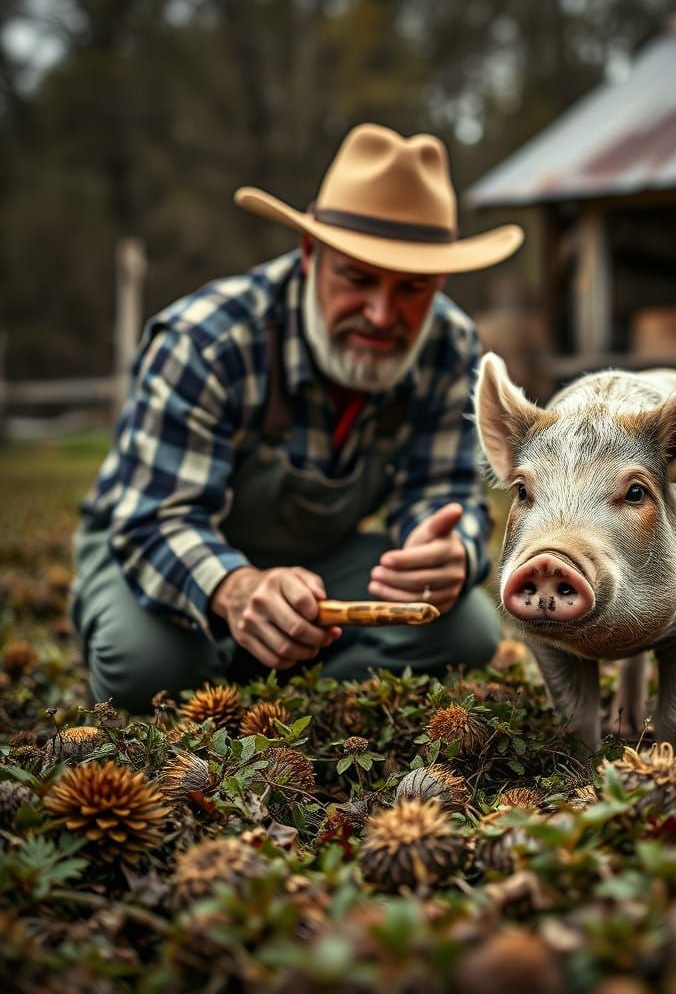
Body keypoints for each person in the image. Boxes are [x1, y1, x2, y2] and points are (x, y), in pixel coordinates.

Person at [70, 123, 524, 713]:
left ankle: (284, 699)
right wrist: (237, 590)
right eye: (357, 279)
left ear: (439, 282)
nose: (382, 315)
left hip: (319, 565)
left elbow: (441, 493)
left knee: (465, 631)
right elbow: (155, 519)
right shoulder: (206, 340)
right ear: (311, 255)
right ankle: (237, 664)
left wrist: (448, 554)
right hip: (155, 543)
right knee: (146, 667)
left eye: (411, 289)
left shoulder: (449, 344)